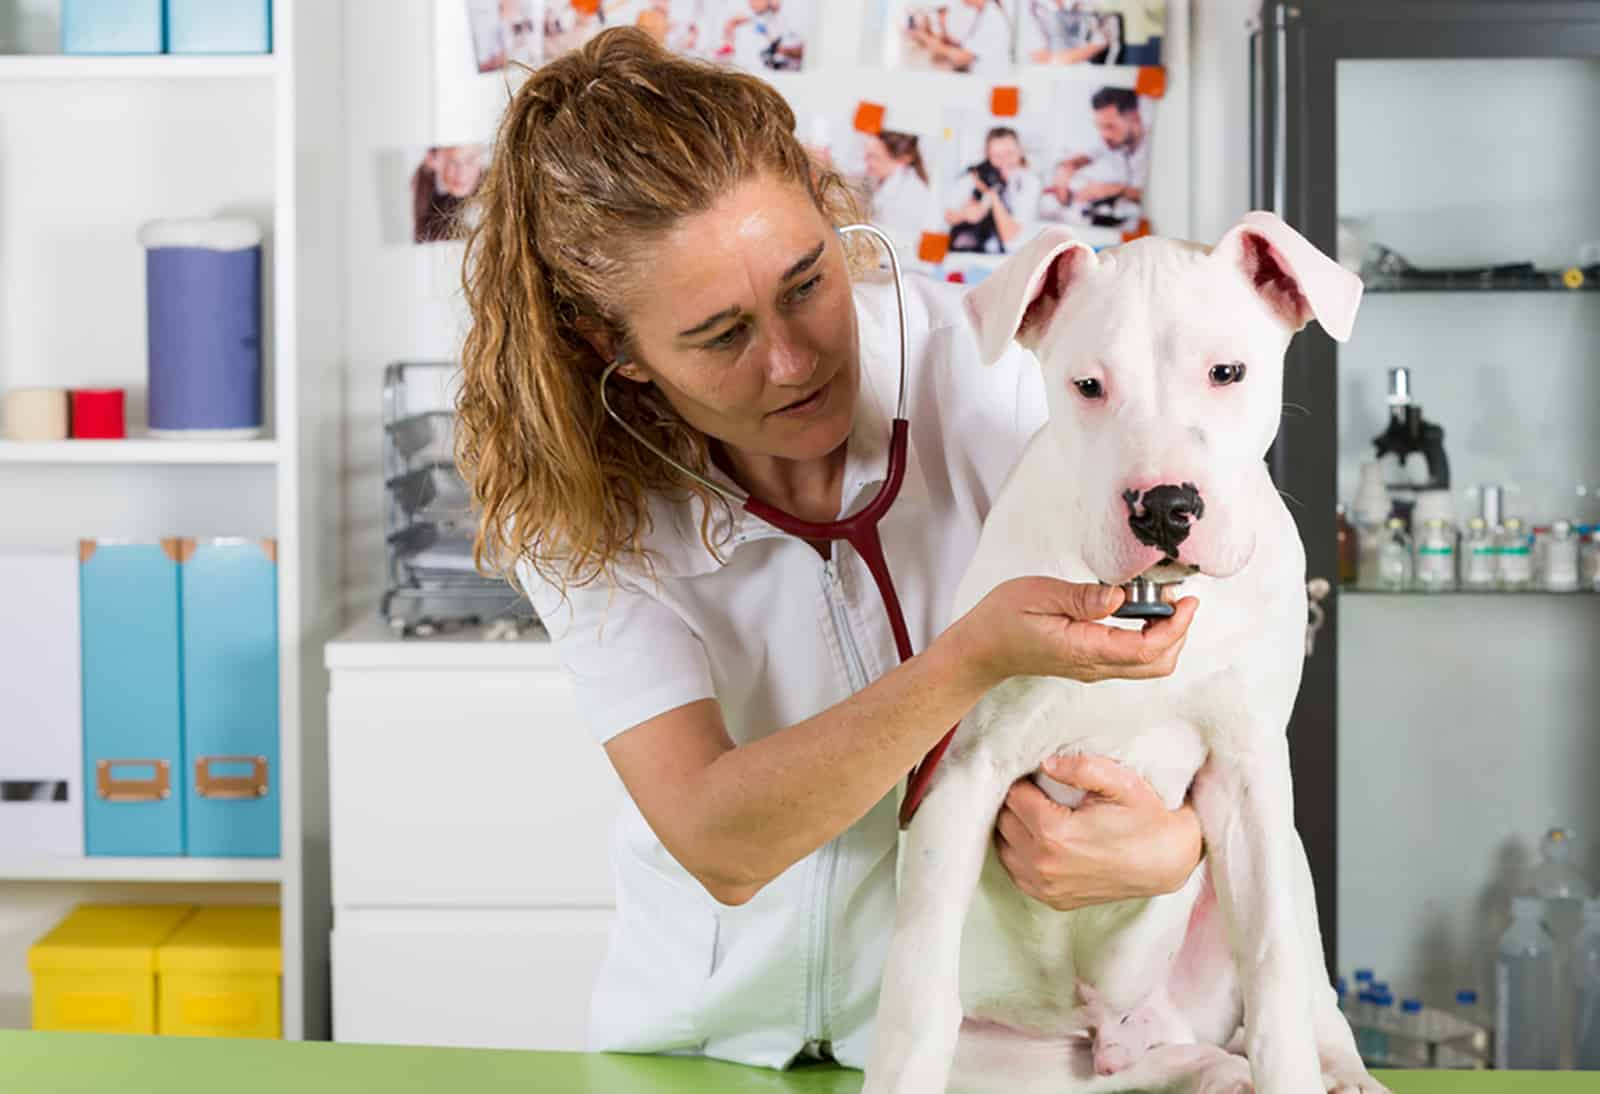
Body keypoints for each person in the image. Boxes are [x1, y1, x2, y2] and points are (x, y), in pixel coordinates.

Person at [456, 27, 1202, 1071]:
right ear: (609, 351)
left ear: (824, 197)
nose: (796, 358)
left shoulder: (994, 382)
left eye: (805, 280)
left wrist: (1175, 845)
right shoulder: (579, 501)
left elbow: (1210, 654)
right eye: (721, 336)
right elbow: (720, 839)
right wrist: (967, 658)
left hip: (974, 1046)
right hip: (700, 1040)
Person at [945, 125, 1042, 254]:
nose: (1004, 161)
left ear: (1020, 151)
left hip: (1011, 255)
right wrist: (964, 214)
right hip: (969, 253)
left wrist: (992, 195)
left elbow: (1010, 236)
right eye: (997, 155)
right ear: (987, 155)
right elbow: (948, 217)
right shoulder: (973, 176)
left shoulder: (1030, 182)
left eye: (1009, 153)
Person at [861, 130, 934, 251]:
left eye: (873, 156)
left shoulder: (913, 193)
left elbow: (900, 241)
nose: (866, 161)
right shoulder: (882, 182)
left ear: (900, 160)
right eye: (866, 154)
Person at [903, 0, 1014, 75]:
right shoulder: (983, 15)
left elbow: (962, 57)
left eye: (943, 12)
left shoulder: (992, 19)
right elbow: (967, 46)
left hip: (987, 79)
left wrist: (924, 38)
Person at [412, 144, 485, 244]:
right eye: (452, 161)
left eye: (470, 160)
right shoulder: (423, 183)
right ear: (433, 160)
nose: (461, 173)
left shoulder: (492, 182)